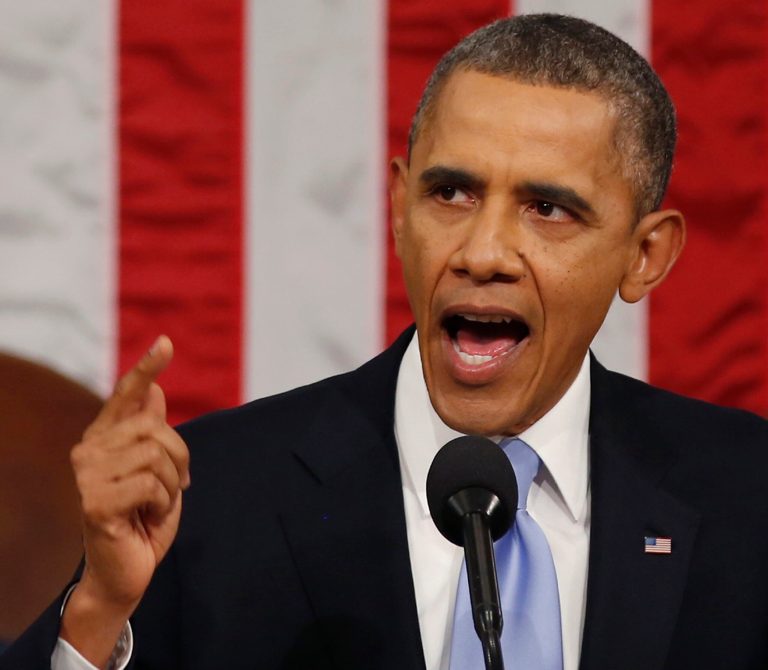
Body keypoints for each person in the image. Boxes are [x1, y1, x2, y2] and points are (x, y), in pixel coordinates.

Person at [4, 13, 768, 670]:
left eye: (546, 208)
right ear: (399, 205)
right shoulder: (214, 500)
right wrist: (99, 610)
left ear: (645, 256)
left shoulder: (746, 495)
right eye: (451, 193)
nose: (482, 252)